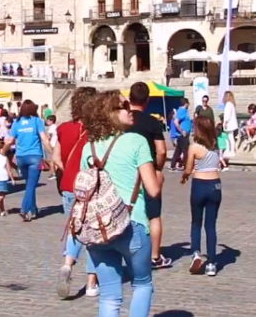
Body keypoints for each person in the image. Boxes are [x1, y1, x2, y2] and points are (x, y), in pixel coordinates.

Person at [79, 90, 161, 317]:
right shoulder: (137, 141)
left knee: (109, 295)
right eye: (124, 106)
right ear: (110, 113)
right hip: (131, 223)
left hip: (97, 227)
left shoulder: (89, 147)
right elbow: (153, 189)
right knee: (142, 283)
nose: (129, 109)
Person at [52, 87, 99, 299]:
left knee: (74, 230)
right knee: (93, 236)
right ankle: (91, 284)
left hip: (69, 186)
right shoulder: (97, 131)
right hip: (91, 188)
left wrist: (69, 172)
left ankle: (67, 264)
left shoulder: (63, 128)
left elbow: (55, 159)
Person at [126, 82, 172, 269]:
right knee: (153, 215)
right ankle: (154, 256)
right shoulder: (153, 122)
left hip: (126, 171)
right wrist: (157, 169)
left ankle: (127, 251)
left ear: (130, 99)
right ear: (147, 100)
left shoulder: (123, 121)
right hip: (148, 172)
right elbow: (161, 151)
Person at [182, 116, 222, 277]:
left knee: (196, 222)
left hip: (199, 184)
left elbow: (188, 168)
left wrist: (185, 175)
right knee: (211, 225)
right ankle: (211, 263)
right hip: (215, 185)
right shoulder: (215, 145)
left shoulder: (194, 147)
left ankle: (196, 253)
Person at [2, 100, 47, 221]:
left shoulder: (17, 122)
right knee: (31, 186)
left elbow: (10, 141)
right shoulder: (37, 121)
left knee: (29, 185)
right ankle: (24, 209)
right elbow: (44, 138)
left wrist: (3, 150)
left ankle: (33, 210)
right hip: (35, 157)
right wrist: (53, 151)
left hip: (21, 157)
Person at [169, 98, 192, 172]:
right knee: (186, 151)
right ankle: (186, 166)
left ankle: (173, 166)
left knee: (178, 151)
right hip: (182, 135)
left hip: (183, 134)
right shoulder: (182, 111)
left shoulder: (183, 111)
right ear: (186, 104)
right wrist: (182, 131)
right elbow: (176, 121)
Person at [221, 92, 238, 168]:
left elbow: (227, 114)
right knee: (228, 138)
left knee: (230, 138)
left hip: (229, 123)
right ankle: (228, 150)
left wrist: (225, 122)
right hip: (231, 123)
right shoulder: (231, 104)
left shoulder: (228, 104)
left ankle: (231, 150)